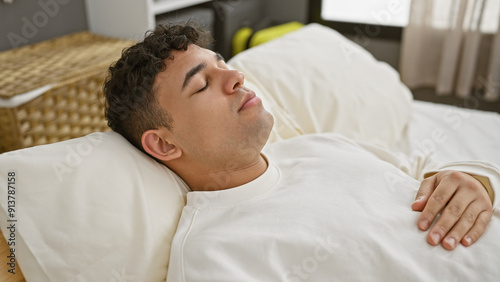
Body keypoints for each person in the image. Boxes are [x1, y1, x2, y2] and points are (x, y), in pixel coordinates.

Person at [103, 23, 499, 280]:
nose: (237, 76)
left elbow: (421, 168)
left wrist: (475, 180)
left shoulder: (321, 144)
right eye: (202, 84)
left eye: (221, 63)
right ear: (164, 143)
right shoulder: (213, 256)